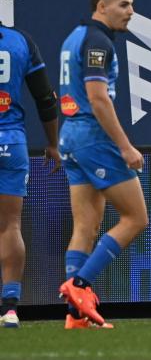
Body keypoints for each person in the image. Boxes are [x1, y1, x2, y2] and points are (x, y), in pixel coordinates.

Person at [57, 0, 149, 329]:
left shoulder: (74, 37)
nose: (131, 12)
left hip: (70, 136)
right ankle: (80, 285)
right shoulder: (99, 41)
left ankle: (75, 314)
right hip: (92, 137)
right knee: (136, 219)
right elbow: (98, 98)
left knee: (86, 226)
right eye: (124, 5)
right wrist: (125, 147)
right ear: (101, 7)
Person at [0, 24, 60, 328]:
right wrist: (52, 143)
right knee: (9, 225)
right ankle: (9, 307)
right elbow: (46, 98)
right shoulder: (20, 40)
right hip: (10, 142)